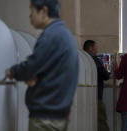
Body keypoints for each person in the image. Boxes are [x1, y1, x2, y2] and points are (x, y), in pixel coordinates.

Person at [5, 0, 79, 131]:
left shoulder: (51, 35)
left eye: (32, 10)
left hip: (45, 118)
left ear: (44, 11)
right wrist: (38, 77)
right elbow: (52, 69)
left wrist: (13, 71)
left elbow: (32, 66)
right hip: (58, 114)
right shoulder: (65, 34)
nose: (30, 16)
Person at [83, 40, 110, 131]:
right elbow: (105, 75)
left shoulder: (81, 60)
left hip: (82, 97)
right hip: (96, 96)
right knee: (101, 120)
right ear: (90, 48)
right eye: (96, 48)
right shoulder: (95, 60)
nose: (97, 50)